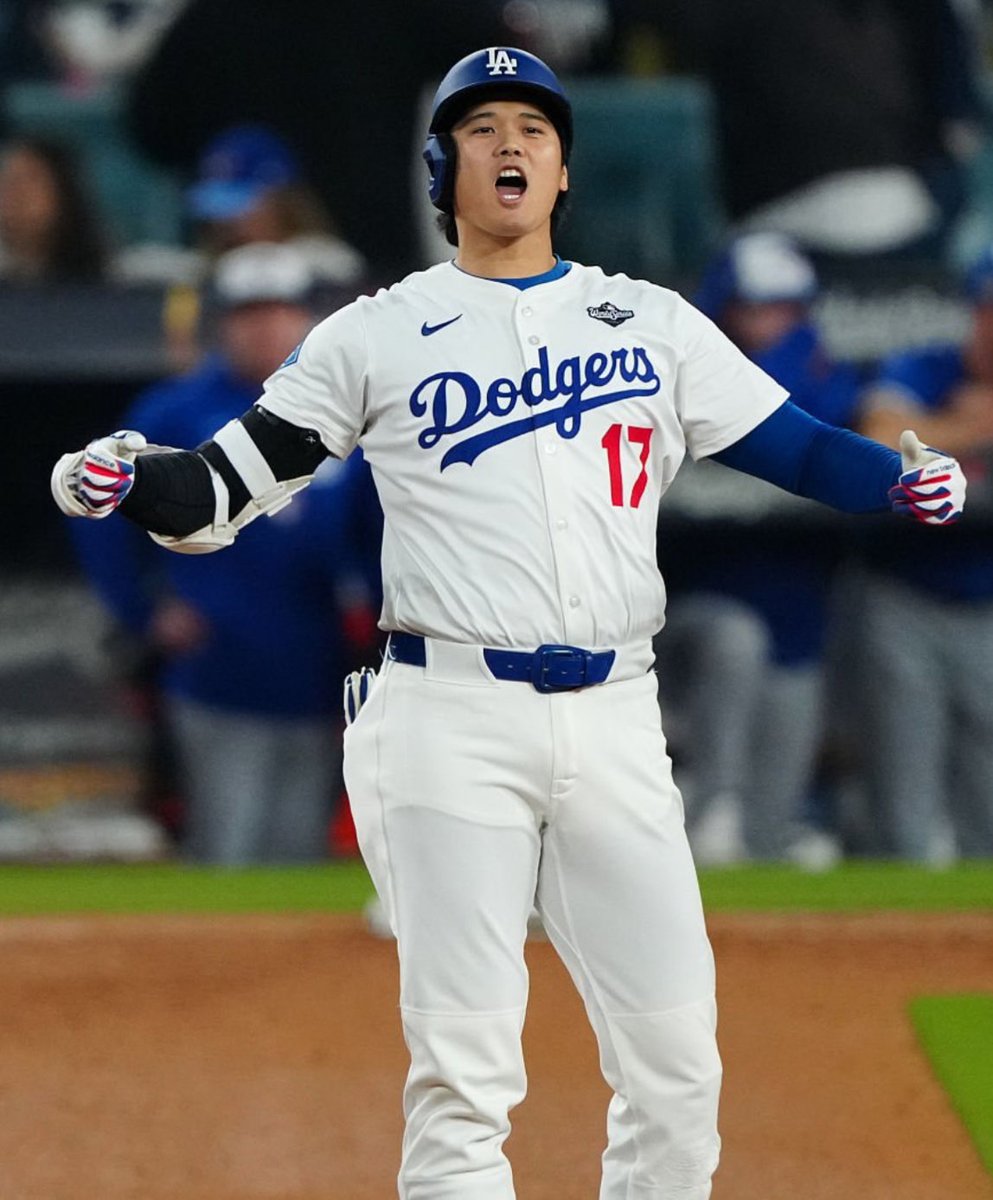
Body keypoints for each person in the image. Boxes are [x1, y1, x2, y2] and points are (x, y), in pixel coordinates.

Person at [52, 46, 966, 1199]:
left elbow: (793, 445)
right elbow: (228, 480)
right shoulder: (375, 331)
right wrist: (131, 484)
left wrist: (897, 478)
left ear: (566, 169)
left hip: (618, 719)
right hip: (446, 714)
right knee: (464, 1079)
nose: (511, 146)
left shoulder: (649, 322)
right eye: (481, 129)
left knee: (679, 1073)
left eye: (532, 129)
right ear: (444, 167)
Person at [69, 241, 381, 865]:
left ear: (308, 319)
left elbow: (377, 531)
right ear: (222, 323)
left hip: (317, 668)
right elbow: (98, 518)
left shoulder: (346, 412)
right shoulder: (174, 411)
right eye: (249, 312)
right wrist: (145, 612)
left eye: (283, 310)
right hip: (216, 669)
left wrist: (376, 622)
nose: (268, 326)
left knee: (300, 849)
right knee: (225, 846)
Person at [657, 233, 861, 864]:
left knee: (768, 832)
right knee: (735, 637)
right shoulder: (681, 375)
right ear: (725, 306)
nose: (778, 324)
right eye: (758, 307)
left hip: (795, 635)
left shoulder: (828, 380)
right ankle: (708, 804)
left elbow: (829, 435)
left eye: (790, 309)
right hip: (685, 630)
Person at [850, 242, 993, 862]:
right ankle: (896, 950)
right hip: (906, 596)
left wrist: (944, 430)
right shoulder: (924, 365)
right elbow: (879, 437)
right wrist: (970, 427)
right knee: (902, 796)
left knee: (987, 805)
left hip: (987, 607)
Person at [0, 134, 106, 281]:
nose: (13, 192)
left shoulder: (108, 283)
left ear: (64, 192)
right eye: (7, 180)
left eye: (29, 179)